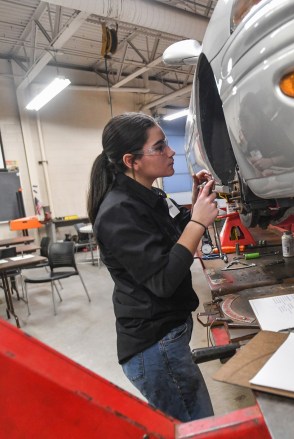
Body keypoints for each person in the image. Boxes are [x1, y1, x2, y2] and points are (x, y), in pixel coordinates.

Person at [86, 112, 219, 421]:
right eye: (160, 147)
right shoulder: (118, 211)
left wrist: (196, 204)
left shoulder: (151, 195)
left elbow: (177, 235)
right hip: (154, 347)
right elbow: (163, 279)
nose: (171, 152)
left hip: (168, 336)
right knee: (197, 427)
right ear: (131, 160)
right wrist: (198, 221)